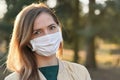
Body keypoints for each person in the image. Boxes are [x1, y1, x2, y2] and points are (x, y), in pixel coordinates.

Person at [5, 3, 91, 80]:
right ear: (27, 41)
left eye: (51, 27)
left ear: (59, 29)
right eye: (37, 32)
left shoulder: (80, 73)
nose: (47, 35)